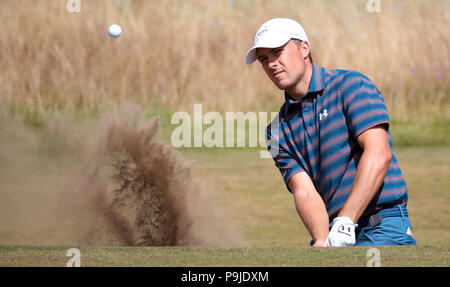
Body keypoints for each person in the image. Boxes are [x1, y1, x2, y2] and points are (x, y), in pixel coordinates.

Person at [245, 18, 416, 247]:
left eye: (278, 52)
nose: (272, 64)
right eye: (264, 59)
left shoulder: (351, 86)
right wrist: (321, 239)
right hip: (336, 233)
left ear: (304, 47)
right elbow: (304, 191)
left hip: (382, 225)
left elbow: (378, 154)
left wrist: (346, 220)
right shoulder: (277, 131)